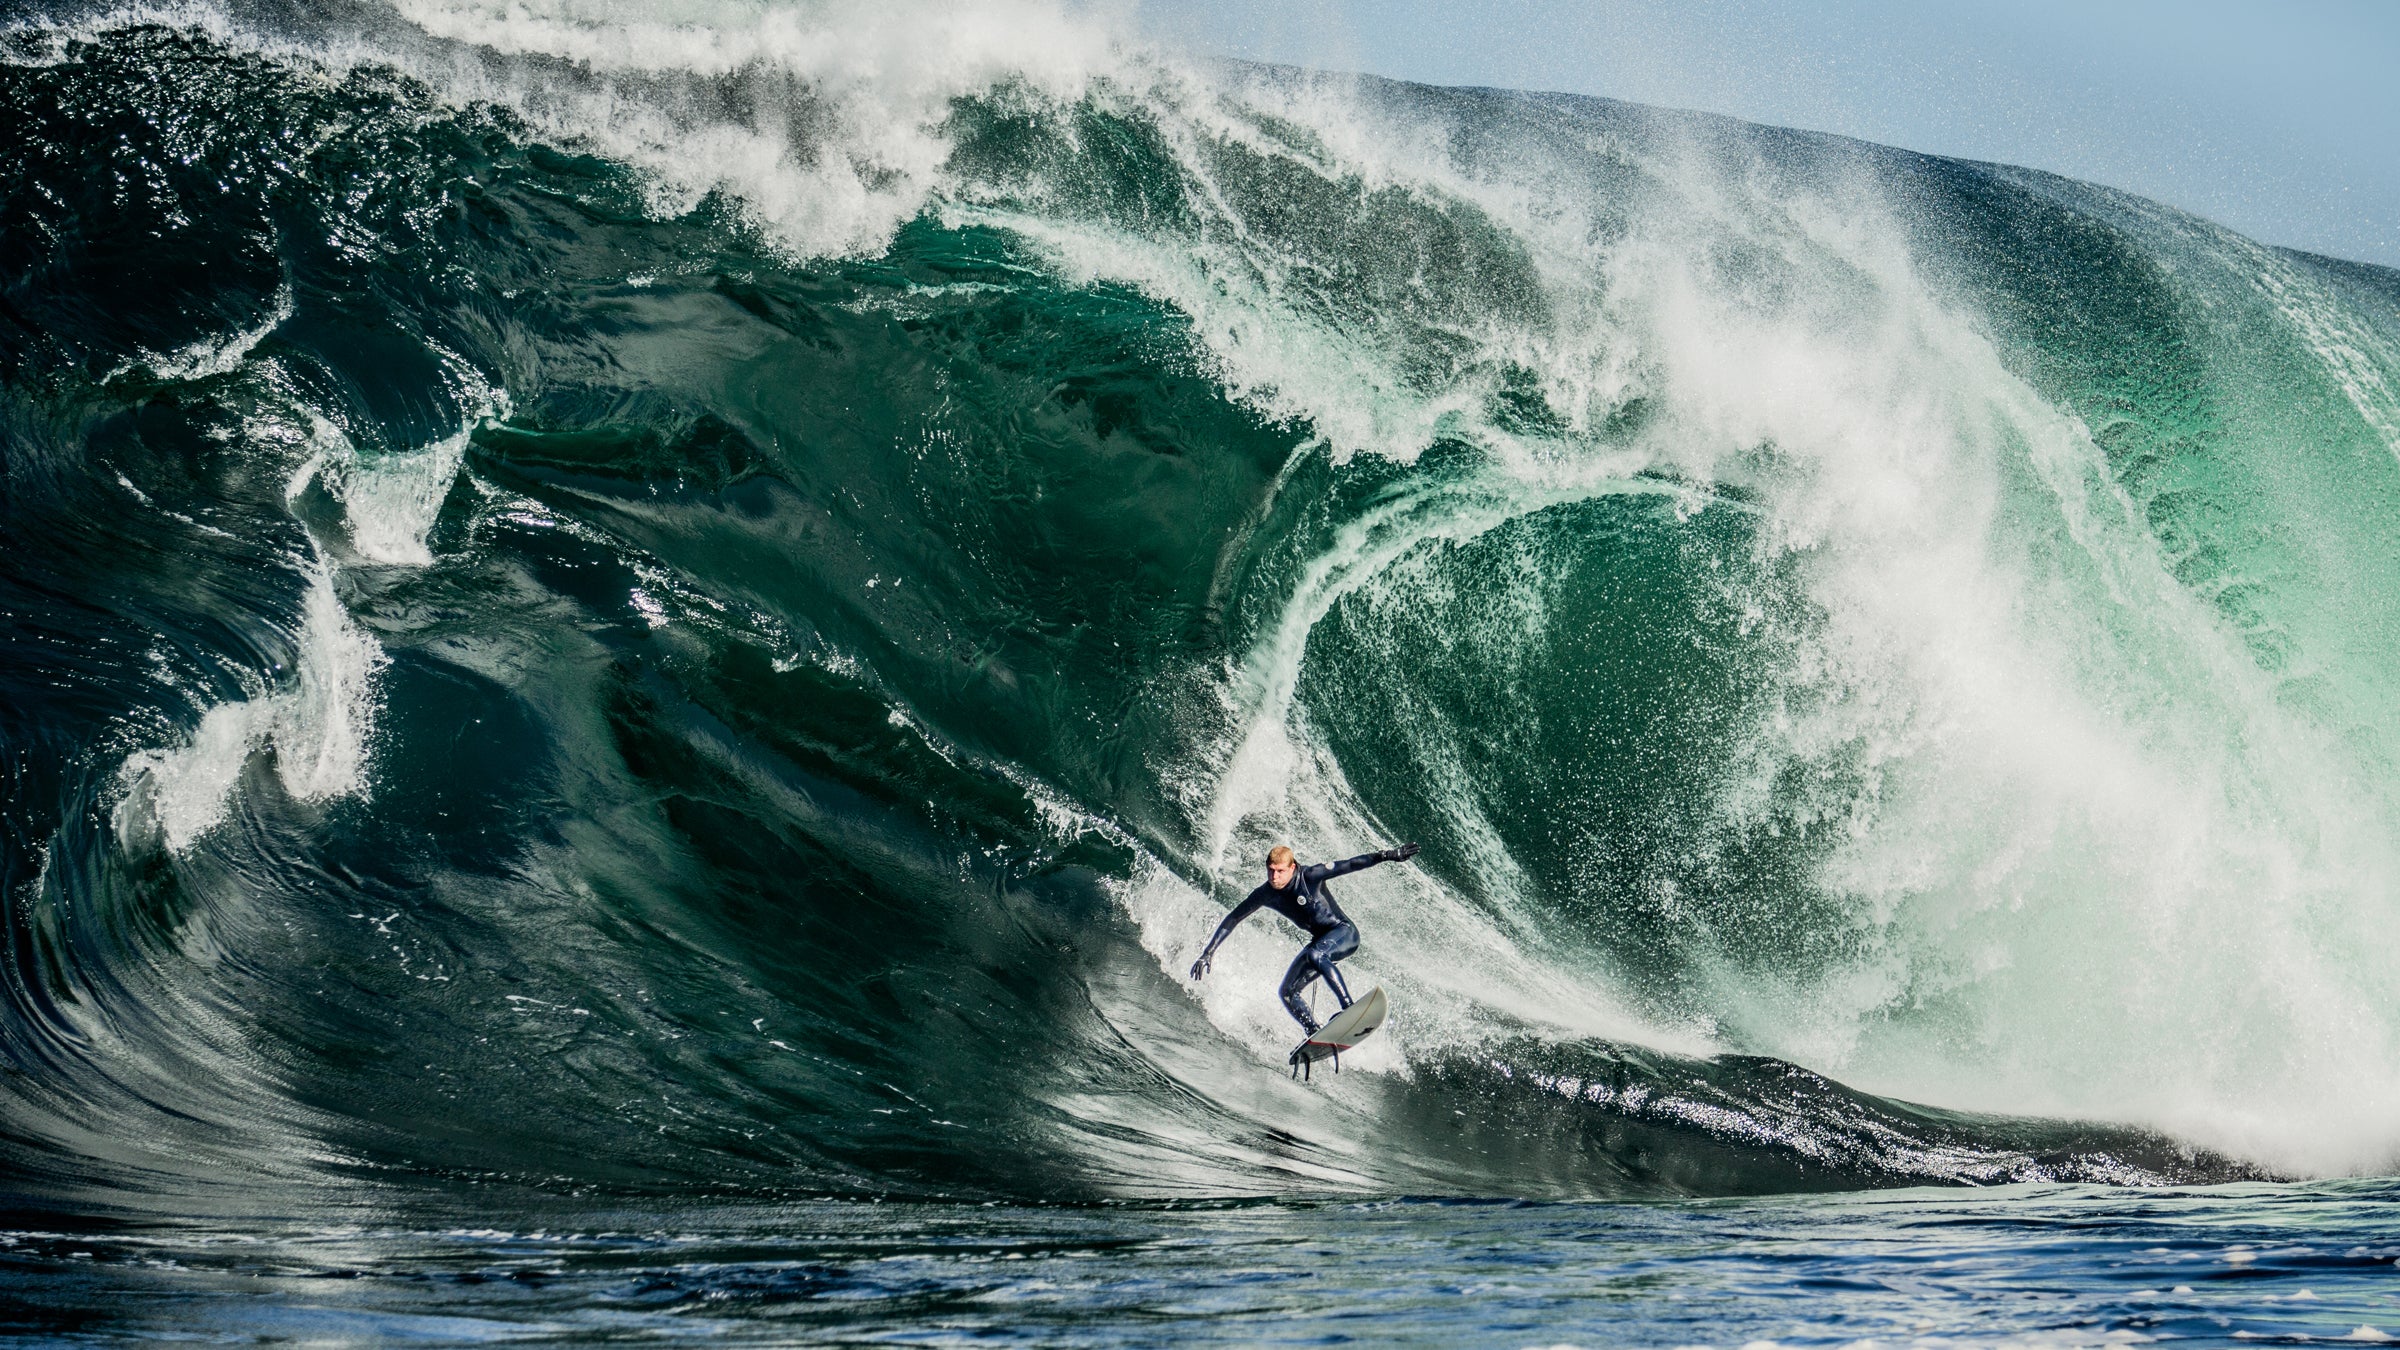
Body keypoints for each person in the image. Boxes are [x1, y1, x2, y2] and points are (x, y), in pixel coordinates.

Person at [1188, 841, 1421, 1035]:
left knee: (1315, 953)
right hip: (1319, 943)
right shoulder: (1265, 894)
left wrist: (1388, 855)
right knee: (1287, 992)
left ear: (1292, 867)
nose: (1274, 876)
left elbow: (1350, 864)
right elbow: (1233, 918)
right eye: (1270, 870)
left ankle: (1349, 1007)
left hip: (1344, 933)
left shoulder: (1310, 875)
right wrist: (1208, 952)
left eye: (1280, 871)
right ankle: (1313, 1031)